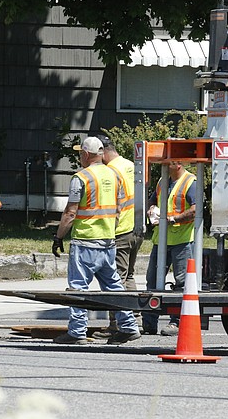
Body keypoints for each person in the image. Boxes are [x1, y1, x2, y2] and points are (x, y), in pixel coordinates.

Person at [51, 136, 141, 345]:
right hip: (108, 240)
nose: (79, 156)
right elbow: (119, 208)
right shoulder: (114, 175)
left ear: (86, 154)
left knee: (78, 288)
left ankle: (77, 332)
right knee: (114, 287)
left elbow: (70, 212)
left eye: (80, 153)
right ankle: (128, 327)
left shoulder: (81, 178)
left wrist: (58, 236)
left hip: (85, 241)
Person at [92, 134, 144, 338]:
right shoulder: (130, 165)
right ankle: (136, 320)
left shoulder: (110, 171)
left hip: (120, 230)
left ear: (103, 152)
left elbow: (116, 204)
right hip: (137, 229)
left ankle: (118, 325)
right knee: (128, 276)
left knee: (115, 280)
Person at [142, 162, 197, 336]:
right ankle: (149, 324)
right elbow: (152, 200)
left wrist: (173, 218)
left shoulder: (190, 182)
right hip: (161, 240)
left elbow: (196, 210)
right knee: (152, 281)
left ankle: (176, 323)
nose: (165, 164)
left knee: (181, 283)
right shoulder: (162, 181)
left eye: (170, 161)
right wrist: (151, 209)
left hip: (182, 240)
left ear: (179, 163)